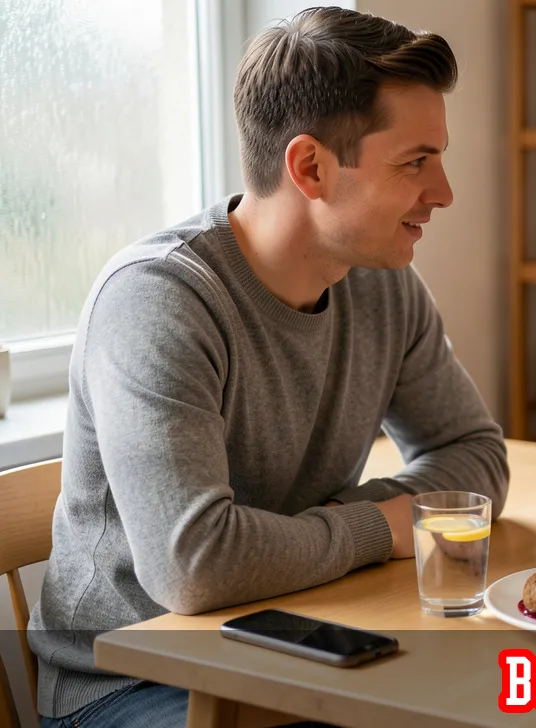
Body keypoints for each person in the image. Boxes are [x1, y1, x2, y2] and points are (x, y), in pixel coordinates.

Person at [30, 7, 510, 726]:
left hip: (298, 633)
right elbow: (193, 566)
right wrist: (378, 526)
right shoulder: (157, 301)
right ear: (310, 166)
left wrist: (330, 527)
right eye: (416, 162)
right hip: (131, 684)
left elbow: (476, 458)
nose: (444, 192)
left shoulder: (384, 285)